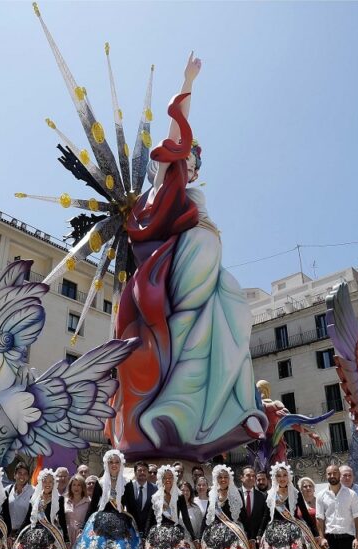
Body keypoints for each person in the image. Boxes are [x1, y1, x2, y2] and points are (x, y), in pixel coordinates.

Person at [109, 52, 267, 463]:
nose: (191, 163)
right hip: (179, 261)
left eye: (195, 160)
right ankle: (173, 406)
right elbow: (176, 128)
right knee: (190, 327)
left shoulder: (193, 188)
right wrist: (188, 81)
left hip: (208, 266)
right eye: (187, 156)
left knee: (235, 307)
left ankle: (236, 409)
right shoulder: (164, 182)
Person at [239, 466, 267, 541]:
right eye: (248, 475)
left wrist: (260, 534)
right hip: (239, 538)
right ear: (241, 477)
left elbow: (265, 517)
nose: (251, 478)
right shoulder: (235, 494)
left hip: (257, 539)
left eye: (253, 476)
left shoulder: (262, 496)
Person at [64, 475, 91, 549]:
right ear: (70, 486)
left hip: (82, 535)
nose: (76, 487)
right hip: (66, 535)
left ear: (83, 487)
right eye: (74, 485)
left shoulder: (88, 502)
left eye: (79, 485)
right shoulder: (64, 501)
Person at [8, 463, 34, 536]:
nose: (22, 476)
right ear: (14, 475)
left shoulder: (33, 491)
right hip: (8, 534)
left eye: (25, 474)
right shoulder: (8, 490)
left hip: (25, 533)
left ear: (28, 477)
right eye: (19, 473)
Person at [130, 461, 156, 532]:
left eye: (144, 470)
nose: (142, 472)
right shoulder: (128, 487)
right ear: (135, 472)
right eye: (139, 470)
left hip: (149, 529)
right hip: (131, 529)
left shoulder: (155, 489)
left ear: (147, 472)